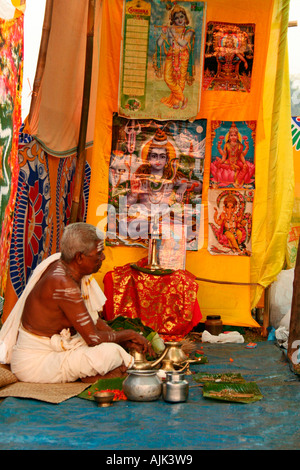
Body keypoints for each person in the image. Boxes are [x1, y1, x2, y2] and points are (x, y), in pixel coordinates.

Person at [0, 223, 154, 384]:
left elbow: (93, 320)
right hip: (36, 363)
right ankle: (98, 374)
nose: (103, 257)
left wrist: (123, 342)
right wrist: (129, 335)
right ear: (79, 257)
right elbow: (93, 338)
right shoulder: (62, 284)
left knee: (113, 353)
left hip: (60, 350)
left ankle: (99, 374)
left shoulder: (69, 266)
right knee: (110, 354)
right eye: (99, 253)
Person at [153, 4, 195, 110]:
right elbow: (158, 43)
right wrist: (163, 34)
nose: (179, 19)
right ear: (173, 20)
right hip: (171, 55)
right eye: (176, 18)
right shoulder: (170, 30)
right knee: (168, 78)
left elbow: (183, 43)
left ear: (185, 17)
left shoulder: (189, 31)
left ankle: (176, 101)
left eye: (181, 17)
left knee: (180, 79)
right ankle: (183, 99)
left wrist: (173, 33)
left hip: (183, 56)